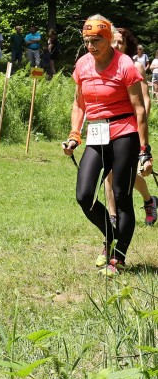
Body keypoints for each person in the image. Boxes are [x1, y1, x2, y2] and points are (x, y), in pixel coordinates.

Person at [62, 14, 152, 276]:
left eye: (97, 41)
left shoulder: (125, 64)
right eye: (87, 41)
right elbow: (80, 103)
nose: (91, 46)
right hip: (97, 132)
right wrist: (74, 134)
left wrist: (144, 151)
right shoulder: (83, 64)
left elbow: (140, 110)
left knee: (122, 197)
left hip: (124, 131)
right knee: (84, 195)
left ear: (109, 39)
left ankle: (119, 256)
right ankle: (111, 235)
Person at [104, 27, 157, 226]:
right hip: (108, 126)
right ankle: (113, 217)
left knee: (126, 172)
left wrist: (140, 124)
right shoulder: (104, 65)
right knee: (109, 172)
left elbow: (145, 99)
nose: (117, 46)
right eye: (114, 42)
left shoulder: (136, 66)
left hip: (131, 126)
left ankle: (149, 200)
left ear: (127, 46)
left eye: (121, 43)